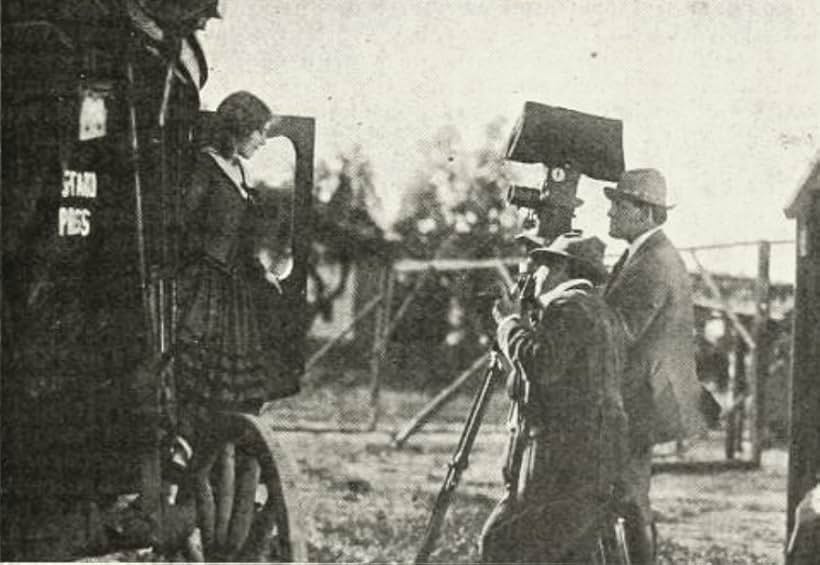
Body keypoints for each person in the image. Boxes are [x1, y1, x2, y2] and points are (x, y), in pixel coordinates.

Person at [480, 232, 629, 563]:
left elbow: (542, 364)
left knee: (501, 544)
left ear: (563, 267)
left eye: (544, 263)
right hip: (599, 458)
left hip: (564, 458)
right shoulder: (605, 313)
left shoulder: (569, 307)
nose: (535, 273)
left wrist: (508, 324)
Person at [171, 90, 288, 461]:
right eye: (259, 131)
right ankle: (182, 441)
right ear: (240, 129)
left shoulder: (240, 170)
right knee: (198, 366)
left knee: (236, 377)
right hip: (204, 282)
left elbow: (244, 238)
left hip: (233, 285)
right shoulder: (204, 166)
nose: (263, 140)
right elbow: (182, 226)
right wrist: (201, 264)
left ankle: (209, 445)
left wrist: (259, 272)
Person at [603, 168, 708, 564]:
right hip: (639, 394)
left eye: (619, 205)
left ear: (645, 213)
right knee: (627, 494)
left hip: (639, 398)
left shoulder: (652, 262)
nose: (610, 213)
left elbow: (620, 330)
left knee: (629, 496)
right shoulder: (644, 254)